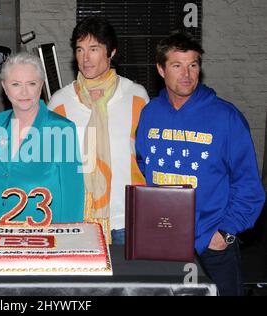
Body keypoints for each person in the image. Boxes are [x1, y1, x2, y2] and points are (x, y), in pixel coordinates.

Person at [135, 32, 265, 296]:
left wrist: (226, 233)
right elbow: (143, 163)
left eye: (193, 64)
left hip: (212, 244)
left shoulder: (226, 117)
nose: (187, 74)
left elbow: (249, 185)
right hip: (164, 243)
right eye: (177, 65)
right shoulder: (150, 113)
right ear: (160, 69)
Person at [48, 16, 149, 243]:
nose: (85, 58)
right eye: (80, 49)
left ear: (111, 52)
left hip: (129, 219)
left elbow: (148, 157)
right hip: (78, 221)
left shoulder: (136, 96)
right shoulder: (59, 103)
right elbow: (51, 167)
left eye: (93, 49)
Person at [0, 52, 84, 224]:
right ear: (5, 87)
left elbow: (73, 194)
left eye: (31, 83)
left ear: (41, 85)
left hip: (45, 239)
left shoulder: (62, 129)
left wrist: (69, 240)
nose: (24, 92)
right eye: (15, 84)